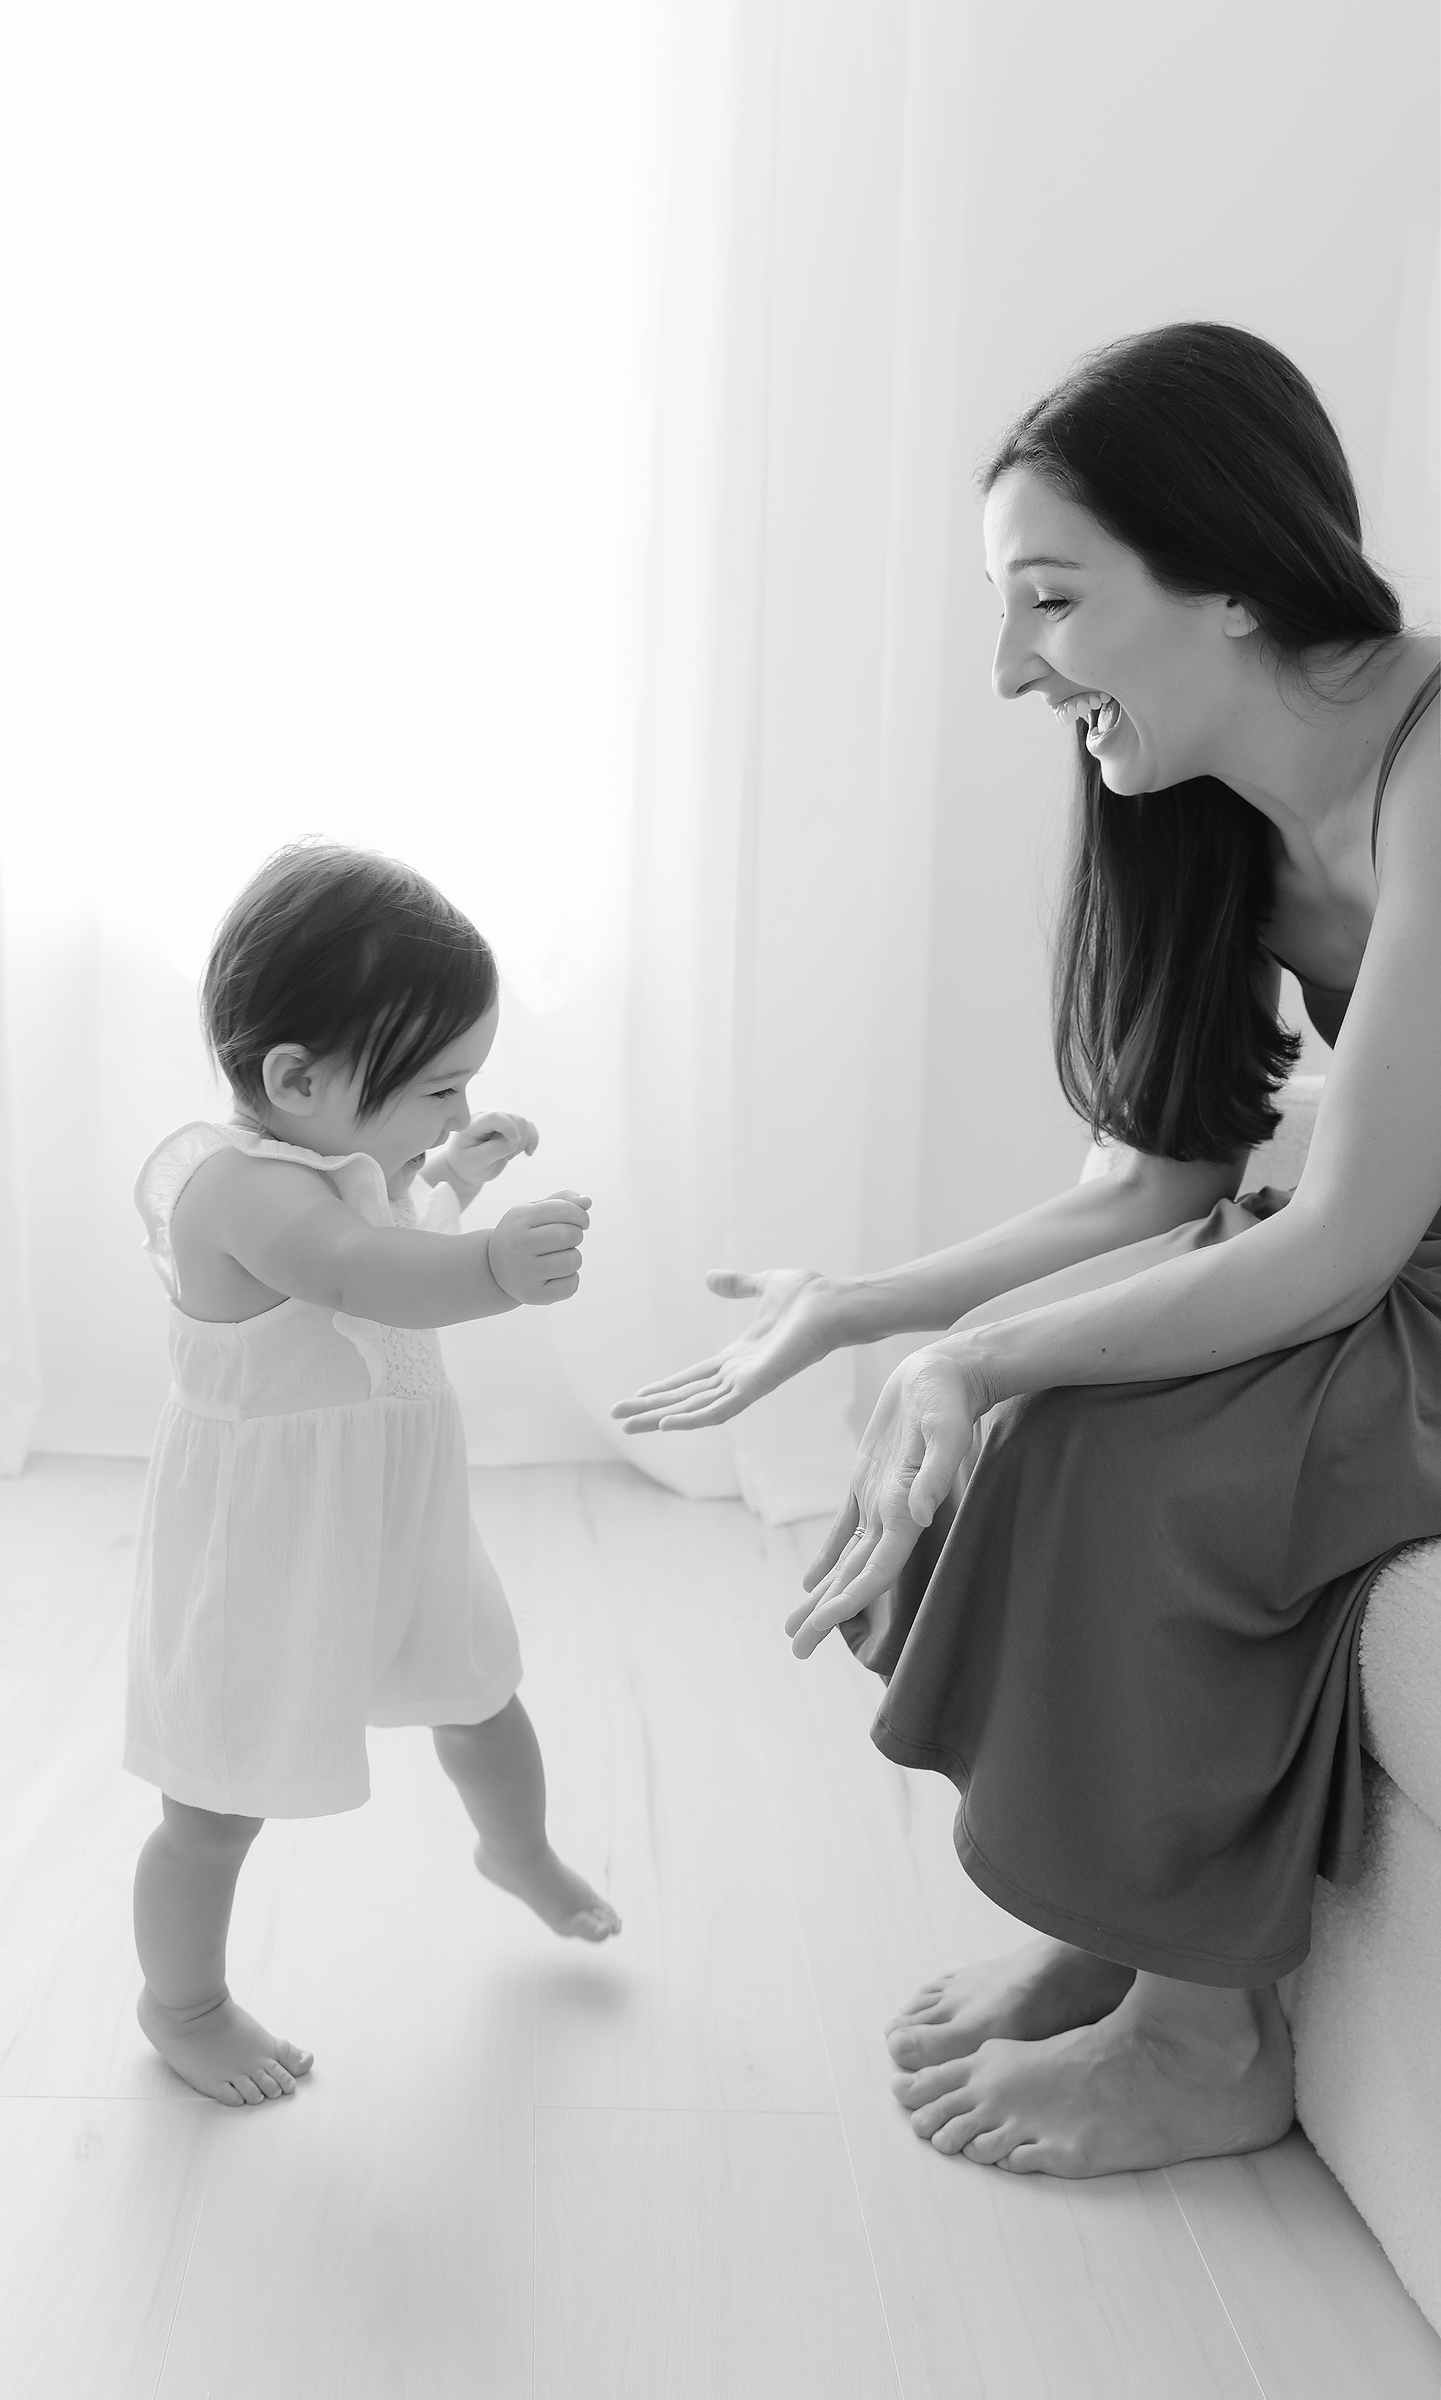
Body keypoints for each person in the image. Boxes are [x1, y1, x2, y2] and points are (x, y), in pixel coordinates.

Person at [614, 323, 1441, 2178]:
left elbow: (1339, 1242)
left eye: (1050, 603)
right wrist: (876, 1313)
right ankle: (1133, 1911)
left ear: (1231, 579)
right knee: (1025, 1415)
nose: (1011, 669)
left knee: (1098, 1438)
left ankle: (1204, 2038)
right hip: (1383, 1262)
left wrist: (986, 1358)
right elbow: (1158, 1180)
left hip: (1393, 1271)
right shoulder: (1209, 804)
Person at [128, 842, 619, 2109]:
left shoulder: (347, 1164)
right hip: (267, 1546)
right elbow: (360, 1271)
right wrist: (496, 1273)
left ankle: (520, 1852)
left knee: (481, 1698)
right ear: (294, 1077)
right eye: (437, 1090)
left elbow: (388, 1209)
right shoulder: (241, 1193)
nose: (453, 1113)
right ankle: (183, 2003)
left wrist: (457, 1176)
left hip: (399, 1517)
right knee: (218, 1802)